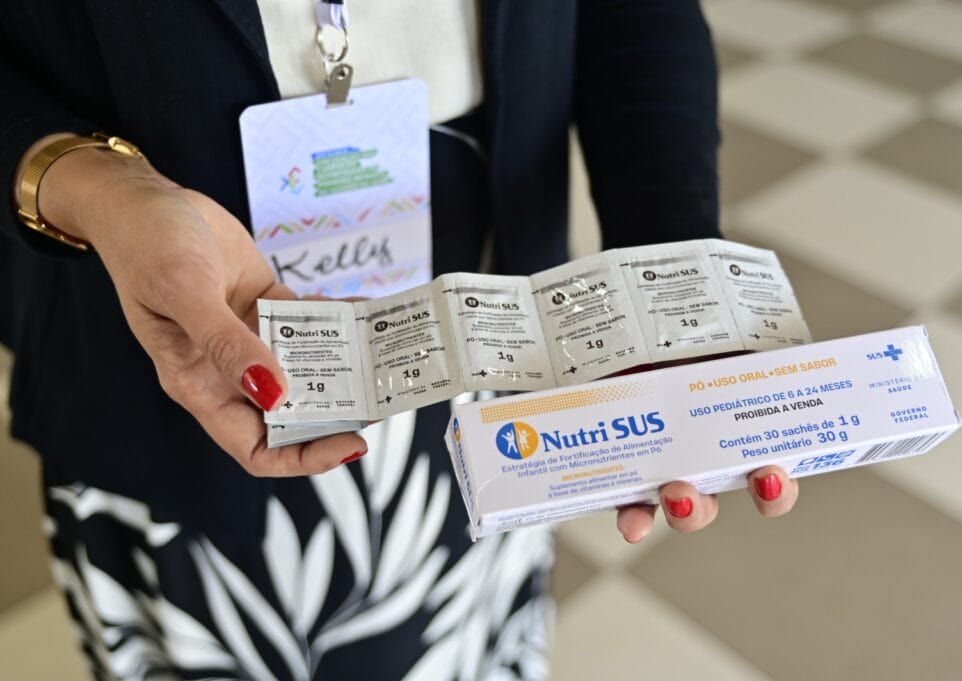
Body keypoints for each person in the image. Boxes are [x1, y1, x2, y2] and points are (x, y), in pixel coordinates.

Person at [1, 2, 798, 679]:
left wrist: (671, 278)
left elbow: (633, 16)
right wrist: (93, 186)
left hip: (491, 316)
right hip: (164, 319)